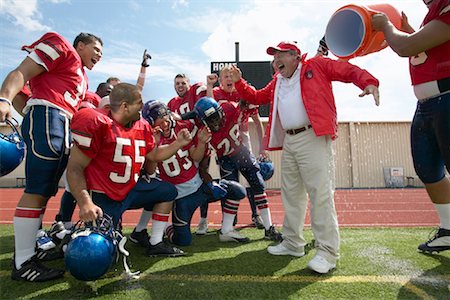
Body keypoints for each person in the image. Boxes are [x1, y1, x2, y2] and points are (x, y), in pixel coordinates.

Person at [230, 41, 380, 274]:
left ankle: (327, 252)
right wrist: (240, 81)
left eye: (279, 56)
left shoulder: (316, 65)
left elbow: (347, 70)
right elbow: (258, 97)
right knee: (291, 193)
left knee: (320, 194)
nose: (275, 61)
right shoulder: (278, 80)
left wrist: (369, 82)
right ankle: (293, 243)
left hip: (313, 135)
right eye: (273, 57)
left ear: (295, 56)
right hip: (290, 140)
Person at [0, 32, 103, 282]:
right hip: (48, 116)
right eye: (96, 48)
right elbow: (22, 72)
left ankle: (31, 250)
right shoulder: (61, 46)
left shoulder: (82, 76)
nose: (100, 54)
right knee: (37, 190)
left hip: (60, 122)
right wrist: (4, 98)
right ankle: (23, 262)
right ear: (80, 45)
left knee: (45, 191)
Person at [67, 83, 191, 258]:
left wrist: (177, 143)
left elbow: (154, 155)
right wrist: (85, 202)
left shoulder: (142, 126)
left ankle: (156, 243)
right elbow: (74, 169)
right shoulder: (98, 122)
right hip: (104, 195)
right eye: (138, 102)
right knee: (101, 254)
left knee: (167, 191)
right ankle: (66, 240)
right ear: (125, 106)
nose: (142, 106)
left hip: (131, 189)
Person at [372, 0, 450, 253]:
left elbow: (407, 47)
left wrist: (386, 25)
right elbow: (425, 50)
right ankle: (449, 229)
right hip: (426, 103)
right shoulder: (434, 13)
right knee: (427, 170)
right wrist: (409, 31)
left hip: (447, 96)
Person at [137, 101, 249, 245]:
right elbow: (151, 171)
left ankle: (226, 231)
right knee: (183, 241)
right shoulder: (151, 137)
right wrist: (153, 145)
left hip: (199, 187)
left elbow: (196, 157)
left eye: (165, 120)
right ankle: (166, 229)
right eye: (159, 124)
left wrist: (201, 142)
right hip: (182, 198)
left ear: (169, 114)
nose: (164, 126)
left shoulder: (183, 127)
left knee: (237, 190)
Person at [194, 94, 283, 243]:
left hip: (241, 152)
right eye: (210, 120)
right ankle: (226, 230)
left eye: (216, 116)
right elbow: (203, 157)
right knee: (233, 191)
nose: (215, 122)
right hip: (225, 159)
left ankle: (269, 227)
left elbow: (247, 103)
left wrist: (246, 97)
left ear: (220, 110)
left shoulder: (230, 108)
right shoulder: (204, 133)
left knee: (258, 184)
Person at [212, 66, 267, 229]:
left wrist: (262, 147)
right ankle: (229, 219)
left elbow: (257, 122)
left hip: (242, 139)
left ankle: (256, 214)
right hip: (224, 141)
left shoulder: (244, 92)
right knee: (228, 181)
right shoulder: (215, 94)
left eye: (231, 76)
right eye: (225, 76)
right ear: (220, 80)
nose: (229, 79)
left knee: (253, 179)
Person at [167, 73, 211, 234]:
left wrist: (182, 116)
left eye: (183, 83)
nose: (180, 86)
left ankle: (203, 219)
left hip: (199, 143)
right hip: (181, 148)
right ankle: (174, 221)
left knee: (203, 180)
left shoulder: (196, 91)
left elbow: (204, 108)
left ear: (189, 84)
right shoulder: (172, 102)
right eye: (177, 83)